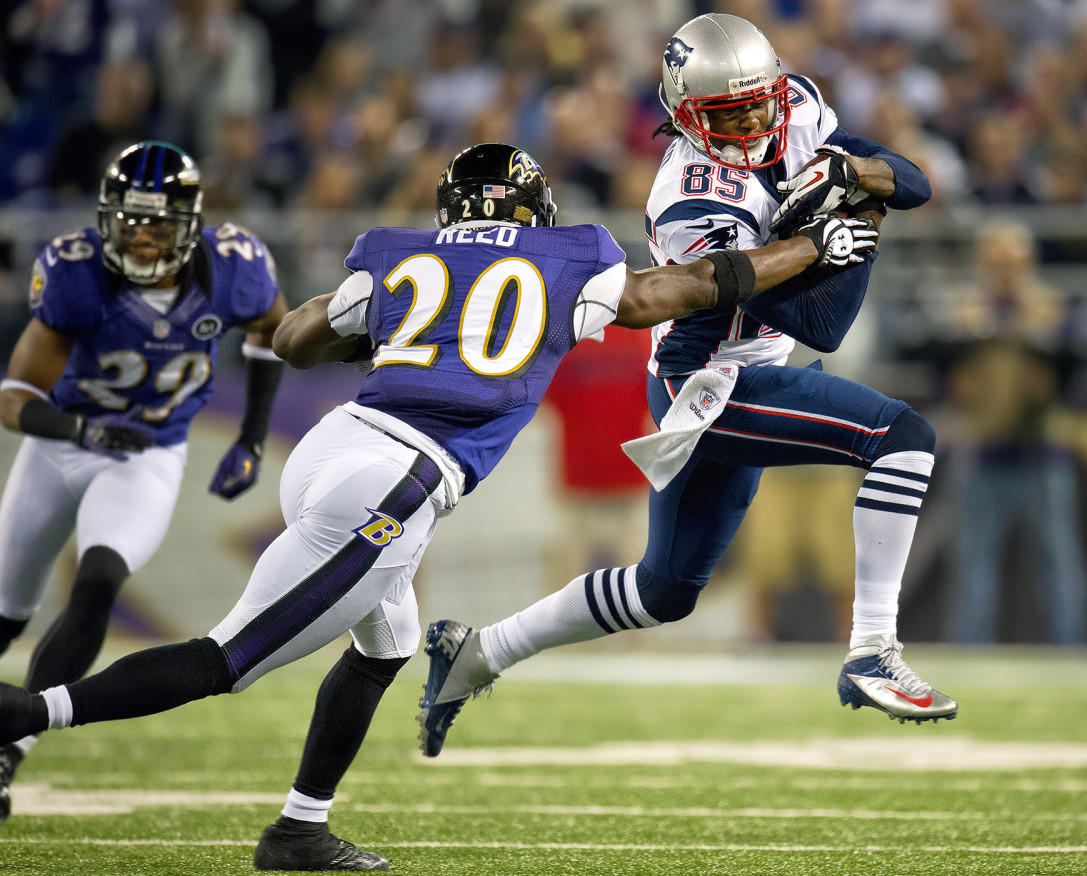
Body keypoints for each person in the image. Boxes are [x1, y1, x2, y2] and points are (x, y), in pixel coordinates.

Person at [0, 142, 877, 871]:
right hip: (400, 479)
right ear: (536, 209)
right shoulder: (569, 252)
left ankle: (300, 828)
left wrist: (369, 323)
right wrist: (810, 250)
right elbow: (672, 293)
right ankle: (26, 714)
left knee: (389, 641)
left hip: (339, 446)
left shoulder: (396, 252)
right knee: (229, 658)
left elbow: (298, 342)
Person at [417, 13, 956, 761]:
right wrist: (843, 231)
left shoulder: (795, 103)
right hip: (707, 383)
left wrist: (855, 176)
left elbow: (914, 182)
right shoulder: (691, 199)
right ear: (685, 117)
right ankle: (872, 648)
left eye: (761, 102)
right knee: (904, 438)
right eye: (728, 114)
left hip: (750, 367)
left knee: (662, 590)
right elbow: (822, 322)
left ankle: (479, 652)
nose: (755, 121)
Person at [0, 140, 287, 822]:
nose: (140, 233)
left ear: (190, 221)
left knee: (99, 579)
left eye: (156, 221)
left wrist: (250, 437)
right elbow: (13, 394)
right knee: (5, 614)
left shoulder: (234, 268)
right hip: (62, 447)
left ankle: (8, 749)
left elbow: (270, 332)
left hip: (147, 454)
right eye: (128, 219)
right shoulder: (77, 275)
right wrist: (79, 432)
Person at [942, 221, 1087, 645]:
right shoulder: (965, 310)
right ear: (982, 264)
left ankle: (1071, 650)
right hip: (983, 450)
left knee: (1058, 563)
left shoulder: (1051, 309)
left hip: (1042, 450)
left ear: (1030, 264)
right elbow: (944, 373)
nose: (1005, 271)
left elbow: (1076, 376)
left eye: (1014, 262)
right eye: (996, 262)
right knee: (973, 564)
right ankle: (970, 653)